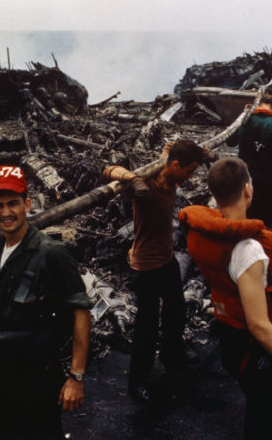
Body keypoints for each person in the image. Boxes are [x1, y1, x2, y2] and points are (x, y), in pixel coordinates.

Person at [178, 157, 272, 439]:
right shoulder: (249, 249)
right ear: (248, 190)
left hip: (228, 338)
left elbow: (235, 282)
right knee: (263, 422)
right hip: (254, 352)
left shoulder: (202, 232)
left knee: (258, 412)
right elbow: (259, 325)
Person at [0, 165, 91, 439]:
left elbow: (80, 312)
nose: (6, 212)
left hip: (38, 380)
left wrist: (76, 377)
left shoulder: (53, 253)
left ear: (27, 204)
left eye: (13, 203)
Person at [102, 139, 209, 404]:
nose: (191, 176)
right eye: (189, 170)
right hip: (146, 265)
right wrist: (132, 178)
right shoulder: (146, 183)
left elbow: (169, 151)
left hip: (167, 259)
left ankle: (173, 355)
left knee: (175, 312)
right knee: (146, 328)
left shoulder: (170, 173)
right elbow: (108, 170)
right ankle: (137, 383)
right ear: (175, 165)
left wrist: (193, 151)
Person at [227, 95, 272, 227]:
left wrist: (243, 116)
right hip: (267, 179)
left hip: (244, 176)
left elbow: (230, 142)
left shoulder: (246, 120)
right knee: (264, 217)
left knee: (246, 214)